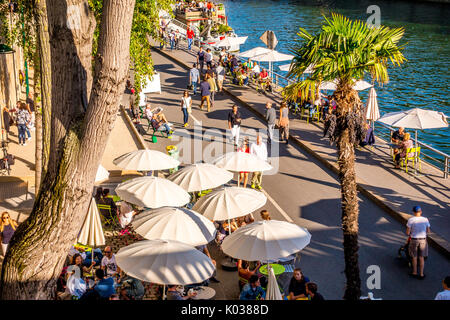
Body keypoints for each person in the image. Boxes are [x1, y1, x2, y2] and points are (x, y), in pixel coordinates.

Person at [406, 206, 430, 279]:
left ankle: (415, 272)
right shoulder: (425, 219)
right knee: (421, 257)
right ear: (421, 211)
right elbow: (428, 231)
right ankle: (422, 274)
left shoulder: (411, 220)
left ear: (413, 212)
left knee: (414, 257)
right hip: (423, 240)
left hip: (414, 240)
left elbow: (407, 232)